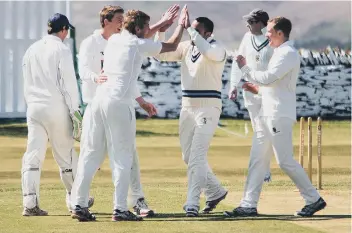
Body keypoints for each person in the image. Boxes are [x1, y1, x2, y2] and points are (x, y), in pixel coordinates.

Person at [71, 6, 188, 221]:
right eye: (145, 27)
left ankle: (78, 204)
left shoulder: (115, 40)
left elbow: (142, 40)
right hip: (118, 103)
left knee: (90, 155)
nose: (147, 30)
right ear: (139, 28)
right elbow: (171, 45)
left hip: (98, 101)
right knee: (123, 157)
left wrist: (161, 25)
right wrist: (181, 25)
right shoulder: (136, 43)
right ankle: (120, 209)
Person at [224, 17, 326, 217]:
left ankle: (313, 199)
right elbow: (274, 85)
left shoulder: (287, 53)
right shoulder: (280, 52)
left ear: (280, 33)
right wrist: (258, 90)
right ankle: (248, 205)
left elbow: (269, 77)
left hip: (278, 114)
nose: (266, 35)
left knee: (284, 160)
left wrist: (245, 68)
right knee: (258, 159)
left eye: (269, 31)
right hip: (267, 113)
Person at [154, 12, 228, 217]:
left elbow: (209, 52)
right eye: (190, 28)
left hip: (208, 107)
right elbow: (161, 54)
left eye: (196, 29)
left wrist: (189, 29)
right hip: (187, 107)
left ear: (208, 32)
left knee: (196, 157)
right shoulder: (187, 47)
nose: (191, 31)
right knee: (188, 156)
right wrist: (162, 30)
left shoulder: (217, 48)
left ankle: (192, 203)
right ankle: (215, 191)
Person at [21, 13, 92, 216]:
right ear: (63, 30)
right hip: (56, 107)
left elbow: (26, 82)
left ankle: (30, 203)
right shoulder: (61, 49)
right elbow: (68, 83)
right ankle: (78, 200)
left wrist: (32, 104)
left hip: (34, 108)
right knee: (66, 156)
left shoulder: (31, 49)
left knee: (33, 156)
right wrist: (75, 111)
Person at [229, 9, 274, 183]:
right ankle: (264, 170)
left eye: (251, 21)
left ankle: (264, 170)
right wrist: (233, 85)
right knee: (257, 129)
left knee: (265, 130)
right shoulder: (247, 38)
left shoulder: (272, 41)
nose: (247, 24)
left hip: (267, 91)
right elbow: (238, 61)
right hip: (249, 91)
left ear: (260, 23)